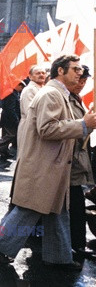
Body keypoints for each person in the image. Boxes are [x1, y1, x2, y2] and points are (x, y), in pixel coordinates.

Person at [0, 55, 96, 271]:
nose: (80, 74)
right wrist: (82, 124)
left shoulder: (58, 93)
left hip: (54, 165)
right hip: (46, 166)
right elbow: (48, 129)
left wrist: (84, 125)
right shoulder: (52, 94)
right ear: (60, 71)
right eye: (76, 69)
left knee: (56, 211)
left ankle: (58, 259)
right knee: (31, 209)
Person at [67, 65, 95, 259]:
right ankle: (77, 245)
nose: (81, 85)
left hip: (76, 159)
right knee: (76, 205)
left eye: (84, 82)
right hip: (68, 160)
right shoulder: (62, 97)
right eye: (79, 80)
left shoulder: (76, 98)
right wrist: (85, 124)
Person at [17, 65, 46, 147]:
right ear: (30, 76)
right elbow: (29, 112)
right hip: (30, 127)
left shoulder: (43, 88)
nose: (41, 75)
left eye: (43, 73)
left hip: (38, 127)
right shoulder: (30, 90)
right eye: (38, 73)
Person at [0, 81, 25, 158]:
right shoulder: (11, 93)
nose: (21, 89)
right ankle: (0, 146)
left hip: (7, 117)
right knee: (11, 134)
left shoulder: (12, 92)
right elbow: (10, 108)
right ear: (17, 85)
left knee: (7, 134)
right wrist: (16, 120)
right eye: (21, 87)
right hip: (9, 118)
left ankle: (4, 150)